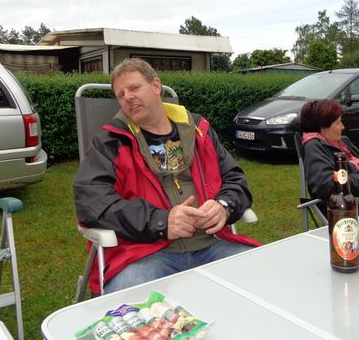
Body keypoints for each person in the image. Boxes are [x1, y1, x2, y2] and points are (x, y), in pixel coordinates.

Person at [74, 58, 259, 295]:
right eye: (120, 94)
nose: (128, 97)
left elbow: (234, 179)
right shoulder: (111, 142)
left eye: (134, 88)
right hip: (146, 254)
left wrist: (225, 206)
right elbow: (90, 201)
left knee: (263, 281)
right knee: (132, 309)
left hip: (213, 244)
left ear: (156, 86)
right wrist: (161, 222)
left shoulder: (198, 130)